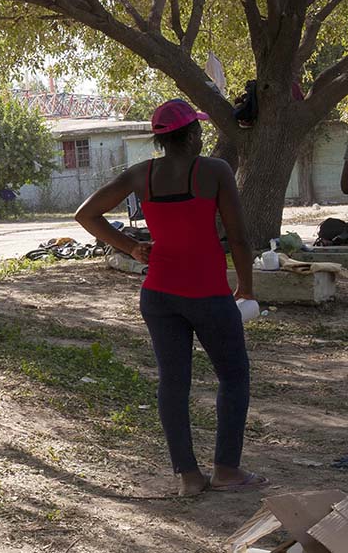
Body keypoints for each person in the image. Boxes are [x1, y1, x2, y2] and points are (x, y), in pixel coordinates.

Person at [75, 99, 265, 497]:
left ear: (160, 140)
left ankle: (188, 477)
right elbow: (240, 238)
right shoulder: (214, 170)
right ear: (194, 135)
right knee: (233, 376)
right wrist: (245, 287)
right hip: (207, 293)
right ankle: (227, 470)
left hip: (159, 295)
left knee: (173, 382)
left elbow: (86, 214)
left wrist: (129, 247)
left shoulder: (141, 174)